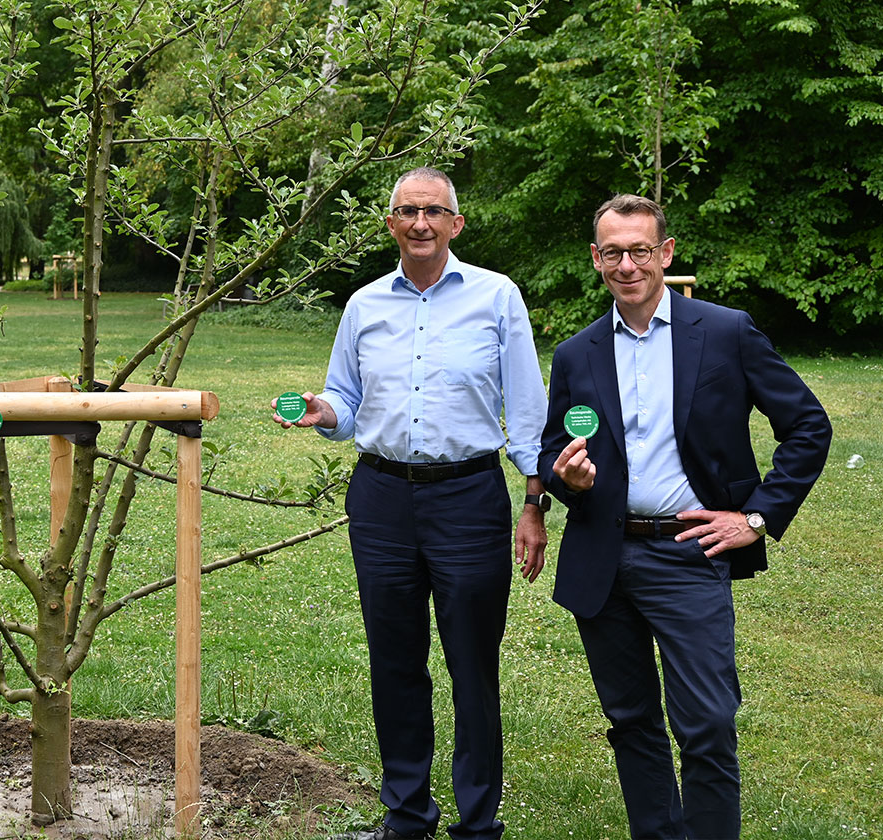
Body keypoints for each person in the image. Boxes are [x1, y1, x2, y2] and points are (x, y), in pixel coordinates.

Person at [540, 195, 831, 839]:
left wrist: (755, 518)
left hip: (689, 553)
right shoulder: (577, 353)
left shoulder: (725, 331)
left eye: (640, 250)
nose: (627, 265)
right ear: (596, 259)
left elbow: (809, 425)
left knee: (707, 724)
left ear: (665, 253)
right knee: (631, 721)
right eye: (613, 252)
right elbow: (553, 448)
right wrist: (568, 479)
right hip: (603, 558)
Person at [276, 167, 549, 840]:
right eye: (408, 211)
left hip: (469, 498)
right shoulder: (364, 305)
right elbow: (344, 398)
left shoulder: (497, 297)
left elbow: (527, 408)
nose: (420, 223)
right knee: (394, 660)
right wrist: (323, 411)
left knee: (472, 665)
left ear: (456, 223)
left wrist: (534, 501)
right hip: (382, 501)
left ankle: (478, 824)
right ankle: (407, 817)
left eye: (433, 211)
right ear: (391, 223)